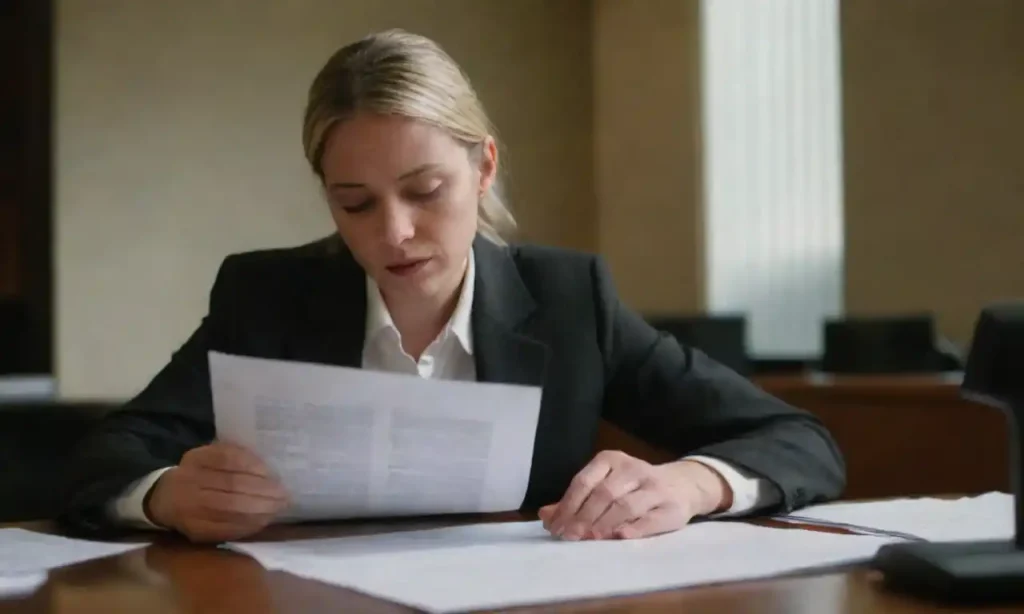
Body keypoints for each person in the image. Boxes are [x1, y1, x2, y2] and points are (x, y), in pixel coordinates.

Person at [60, 29, 845, 543]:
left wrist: (688, 483)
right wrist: (164, 495)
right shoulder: (267, 295)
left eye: (425, 190)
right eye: (354, 204)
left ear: (484, 168)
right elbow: (100, 458)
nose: (392, 233)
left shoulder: (571, 300)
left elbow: (801, 442)